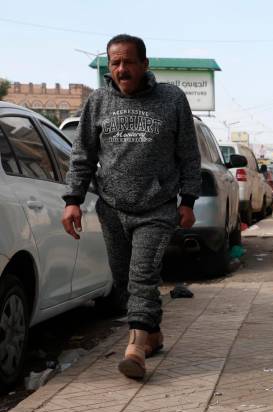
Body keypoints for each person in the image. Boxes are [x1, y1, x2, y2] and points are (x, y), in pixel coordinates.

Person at [61, 34, 201, 380]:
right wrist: (73, 200)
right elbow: (83, 156)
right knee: (125, 280)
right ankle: (152, 333)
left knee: (142, 277)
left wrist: (188, 200)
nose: (122, 69)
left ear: (144, 64)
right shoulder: (97, 102)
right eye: (115, 63)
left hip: (156, 207)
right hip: (112, 208)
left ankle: (135, 348)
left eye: (128, 62)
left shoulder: (171, 99)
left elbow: (188, 154)